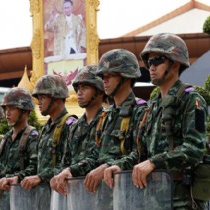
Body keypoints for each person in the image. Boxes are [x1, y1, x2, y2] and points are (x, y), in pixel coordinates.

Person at [104, 33, 208, 209]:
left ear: (175, 63)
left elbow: (195, 148)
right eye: (149, 62)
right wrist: (119, 166)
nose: (151, 67)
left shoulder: (191, 100)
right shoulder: (153, 106)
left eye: (157, 61)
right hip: (153, 198)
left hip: (182, 201)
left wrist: (154, 162)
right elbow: (140, 152)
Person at [83, 49, 148, 193]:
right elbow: (94, 156)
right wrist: (70, 171)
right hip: (104, 195)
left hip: (130, 193)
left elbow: (142, 152)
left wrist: (109, 166)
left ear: (127, 77)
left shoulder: (141, 111)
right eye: (102, 76)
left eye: (110, 75)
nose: (104, 80)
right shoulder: (105, 116)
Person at [21, 75, 77, 209]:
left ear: (56, 98)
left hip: (62, 198)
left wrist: (40, 177)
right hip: (43, 198)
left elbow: (71, 163)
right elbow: (37, 164)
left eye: (43, 98)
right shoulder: (44, 129)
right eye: (38, 98)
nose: (39, 102)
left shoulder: (70, 125)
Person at [50, 65, 104, 195]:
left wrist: (71, 170)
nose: (79, 92)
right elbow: (65, 161)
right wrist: (56, 175)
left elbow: (101, 158)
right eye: (78, 88)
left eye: (85, 87)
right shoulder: (74, 127)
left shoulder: (108, 120)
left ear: (99, 90)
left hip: (102, 194)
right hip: (76, 196)